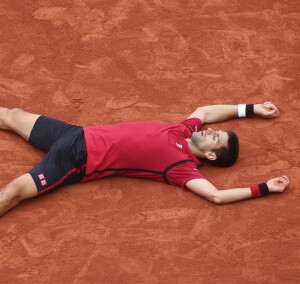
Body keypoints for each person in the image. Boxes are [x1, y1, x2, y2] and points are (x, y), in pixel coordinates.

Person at [0, 102, 289, 217]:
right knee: (11, 115)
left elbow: (215, 196)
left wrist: (263, 188)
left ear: (211, 155)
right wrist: (250, 109)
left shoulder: (182, 167)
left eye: (215, 137)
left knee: (12, 193)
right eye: (216, 131)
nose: (211, 130)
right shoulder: (184, 130)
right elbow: (206, 111)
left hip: (75, 160)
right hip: (73, 134)